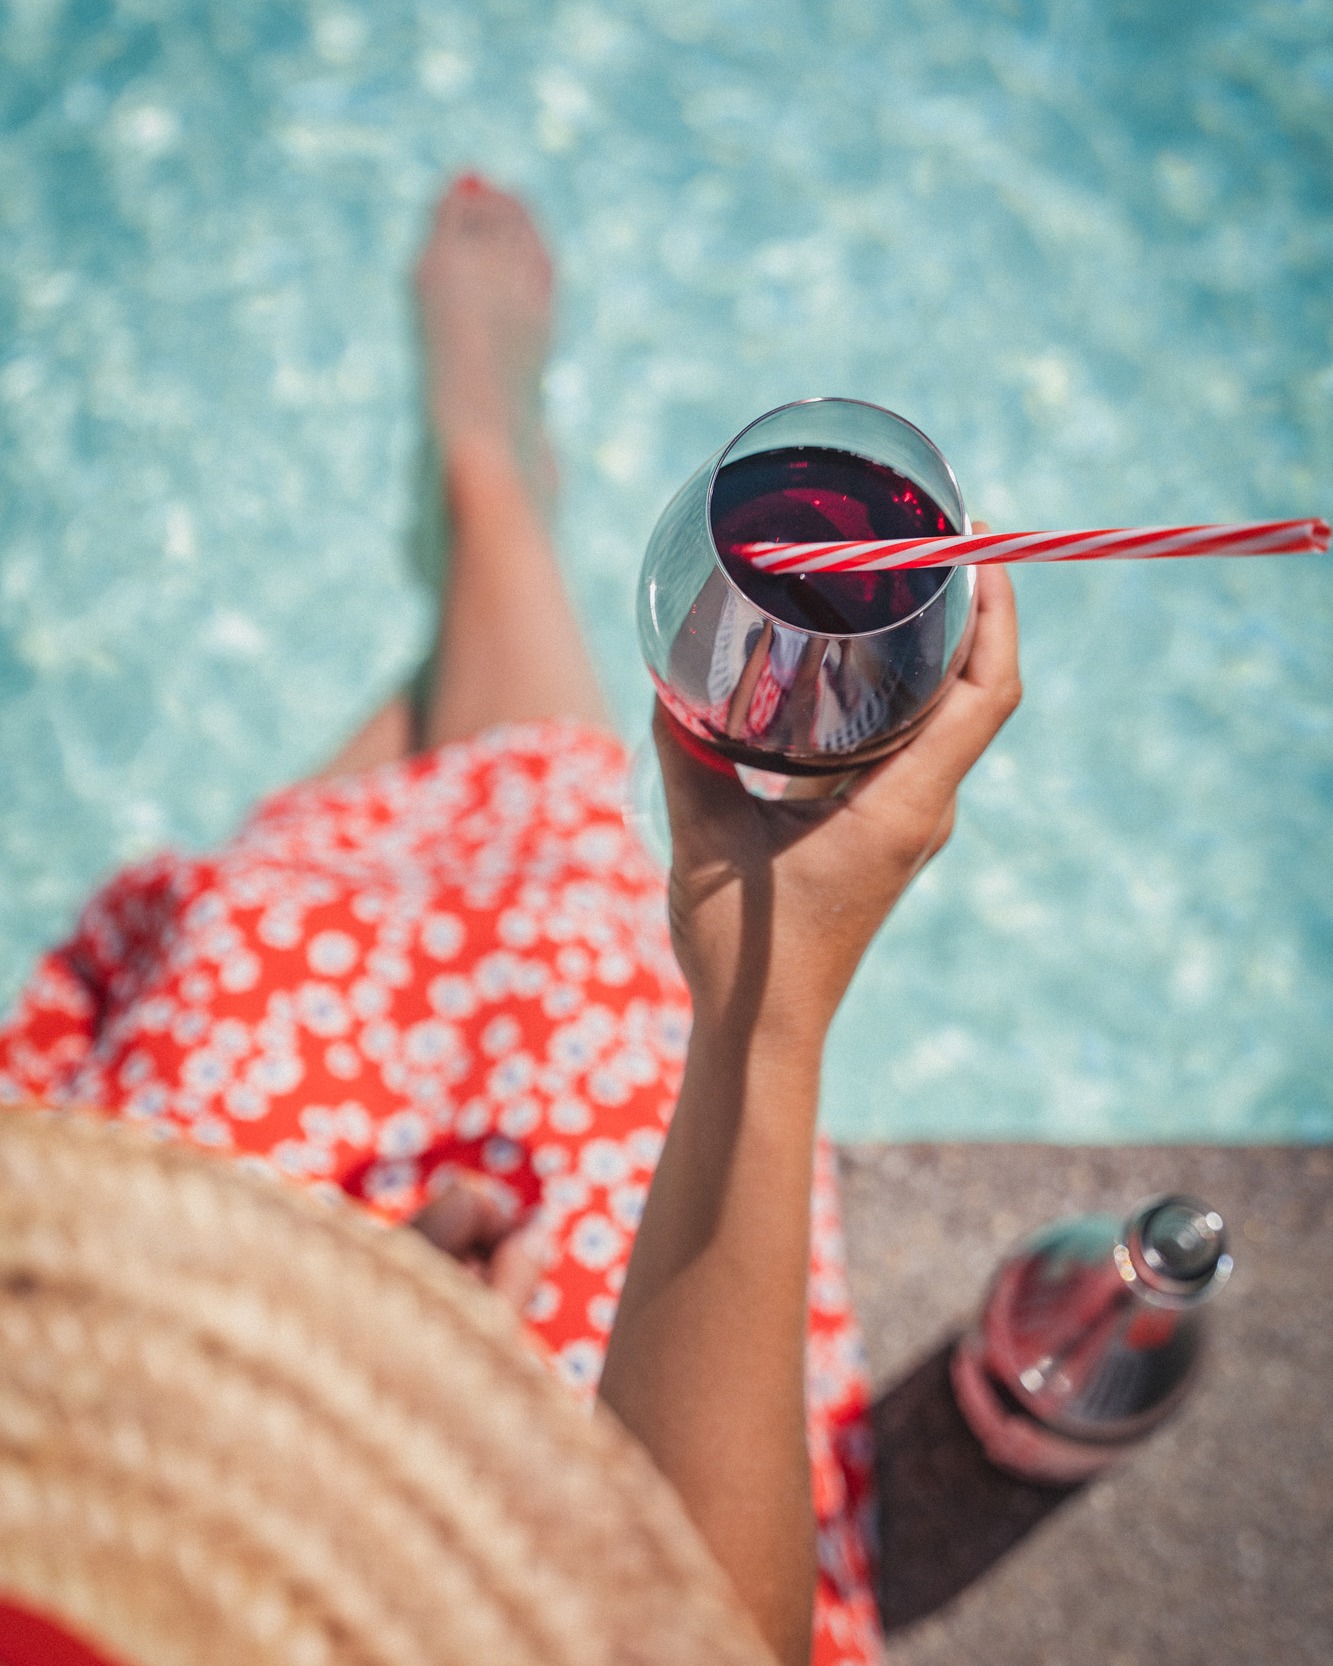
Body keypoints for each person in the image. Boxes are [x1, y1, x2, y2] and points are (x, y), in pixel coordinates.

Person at [0, 173, 1021, 1666]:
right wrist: (767, 997)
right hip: (346, 1520)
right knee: (574, 957)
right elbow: (692, 1633)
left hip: (134, 1465)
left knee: (254, 951)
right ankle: (489, 495)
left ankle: (483, 538)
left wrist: (345, 1382)